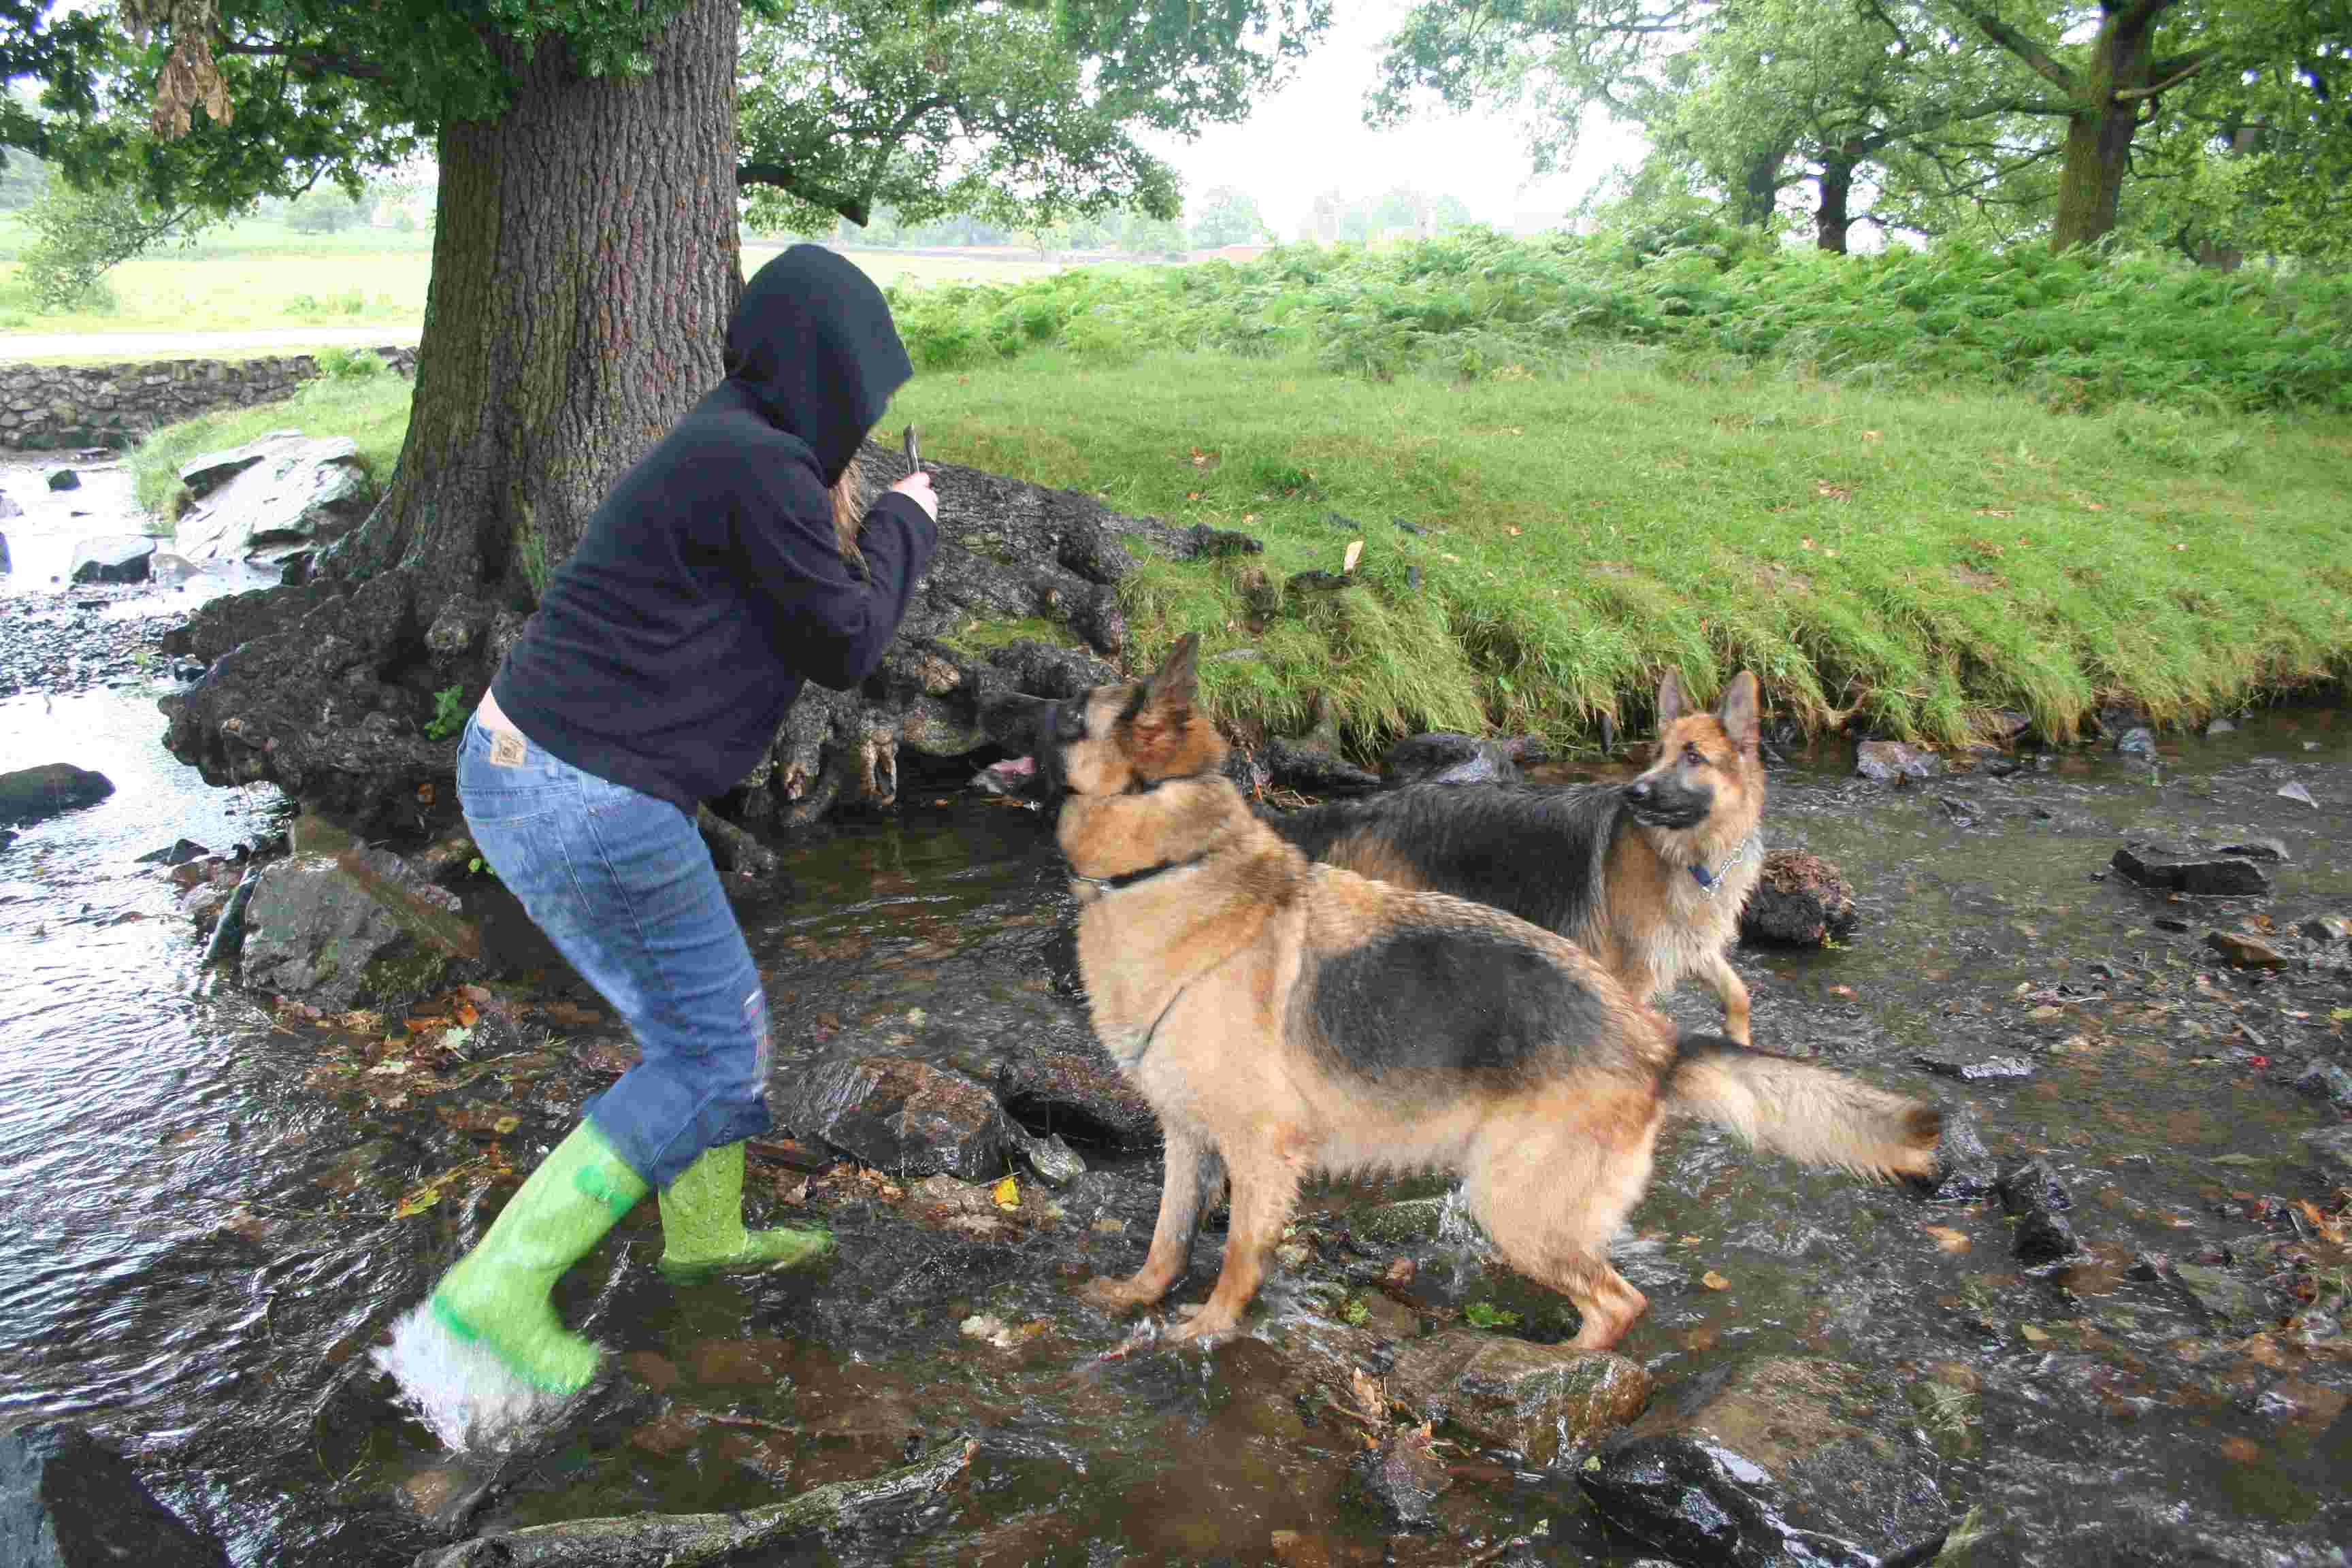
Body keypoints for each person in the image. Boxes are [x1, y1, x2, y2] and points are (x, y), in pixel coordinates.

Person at [376, 245, 939, 1448]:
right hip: (583, 793)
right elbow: (846, 644)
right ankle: (484, 1305)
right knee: (713, 1058)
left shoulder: (737, 441)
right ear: (823, 375)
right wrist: (905, 524)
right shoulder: (756, 468)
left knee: (701, 1024)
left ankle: (704, 1237)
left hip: (547, 771)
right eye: (865, 392)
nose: (871, 415)